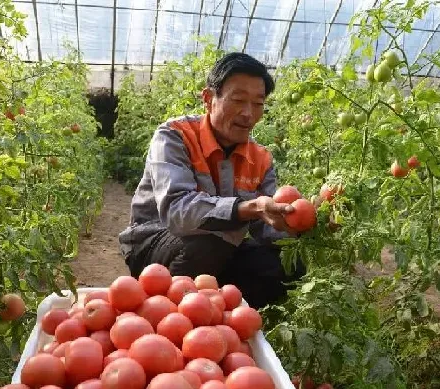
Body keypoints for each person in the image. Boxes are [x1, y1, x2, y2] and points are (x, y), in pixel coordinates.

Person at [118, 52, 306, 309]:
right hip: (156, 244)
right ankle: (164, 318)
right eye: (238, 100)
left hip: (220, 248)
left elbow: (268, 231)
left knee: (288, 261)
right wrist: (248, 208)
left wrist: (300, 223)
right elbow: (177, 211)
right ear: (208, 98)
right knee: (210, 241)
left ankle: (222, 321)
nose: (248, 114)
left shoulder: (260, 158)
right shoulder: (175, 136)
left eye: (258, 103)